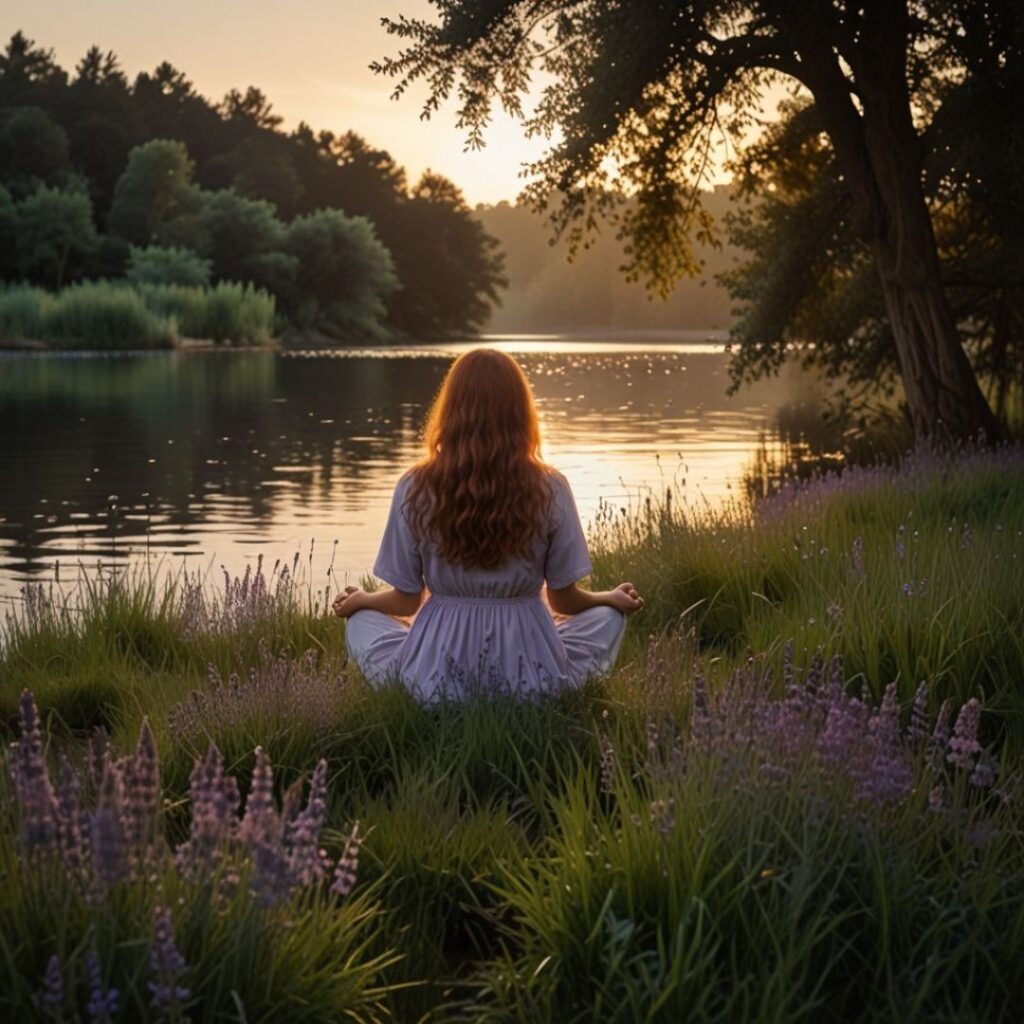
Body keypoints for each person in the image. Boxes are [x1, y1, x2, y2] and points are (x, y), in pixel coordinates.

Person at [333, 348, 643, 700]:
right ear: (519, 411)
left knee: (361, 622)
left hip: (436, 671)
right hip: (529, 669)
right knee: (608, 617)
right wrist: (610, 598)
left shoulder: (414, 486)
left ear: (450, 410)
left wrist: (363, 600)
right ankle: (534, 691)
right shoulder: (550, 486)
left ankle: (430, 691)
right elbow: (563, 600)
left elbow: (406, 601)